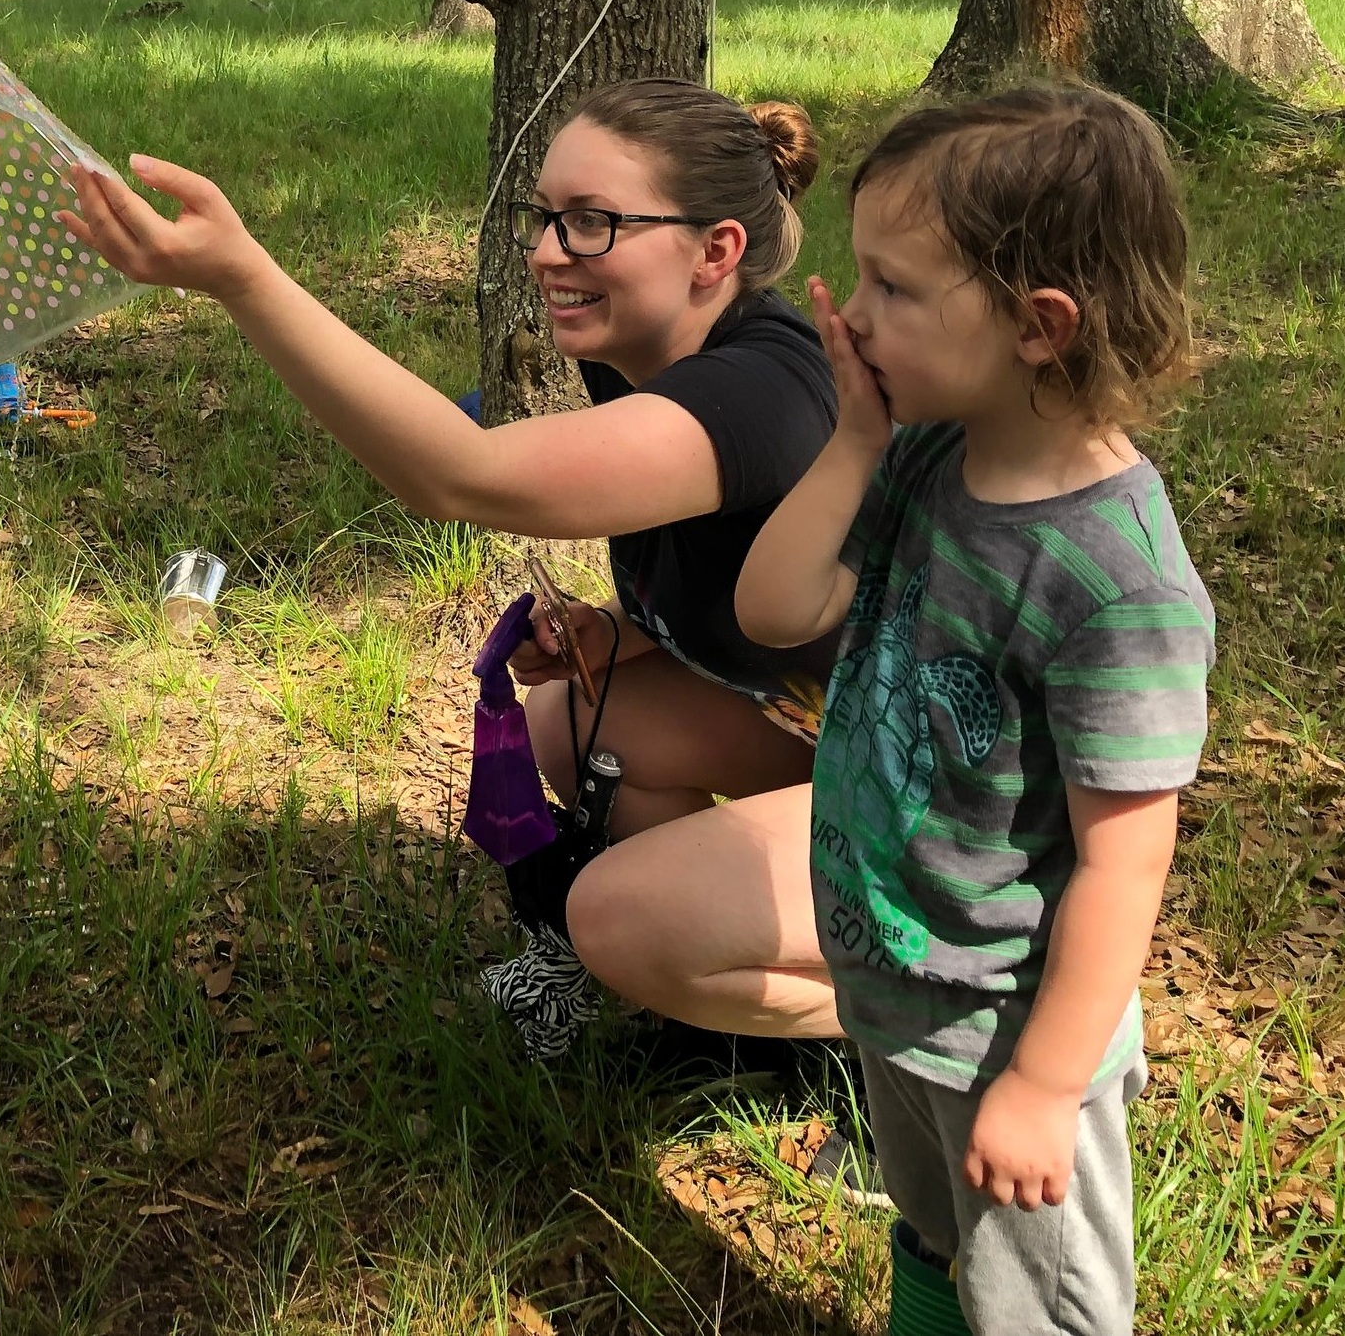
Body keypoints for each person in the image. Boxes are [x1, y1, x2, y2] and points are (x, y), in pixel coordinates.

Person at [64, 78, 842, 1041]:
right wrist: (616, 635)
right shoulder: (644, 348)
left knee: (615, 916)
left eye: (592, 223)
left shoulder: (760, 393)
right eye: (546, 215)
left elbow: (462, 476)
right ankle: (719, 981)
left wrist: (242, 278)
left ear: (715, 251)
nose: (547, 250)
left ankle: (951, 1021)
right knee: (568, 719)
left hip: (957, 796)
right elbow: (751, 585)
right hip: (827, 724)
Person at [734, 86, 1211, 1335]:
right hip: (891, 979)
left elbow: (1124, 861)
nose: (850, 310)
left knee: (1032, 1304)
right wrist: (848, 441)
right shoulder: (923, 452)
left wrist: (1046, 1085)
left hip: (1005, 1029)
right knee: (936, 1240)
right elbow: (775, 612)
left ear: (1038, 326)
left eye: (891, 287)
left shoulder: (1114, 580)